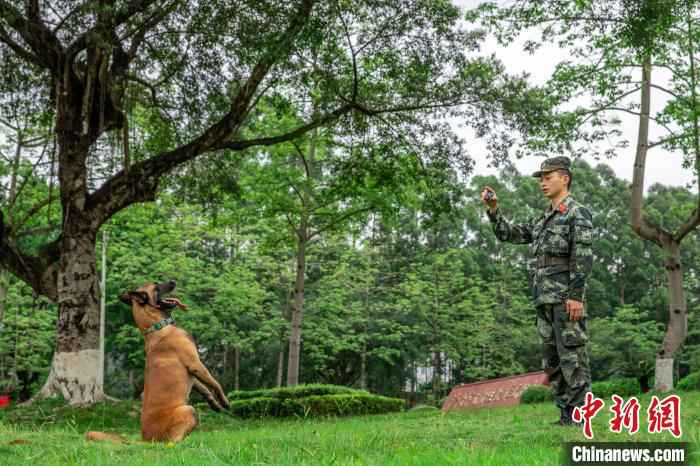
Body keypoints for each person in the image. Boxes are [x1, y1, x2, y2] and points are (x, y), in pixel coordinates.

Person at [481, 156, 593, 426]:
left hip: (566, 298)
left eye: (548, 177)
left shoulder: (578, 213)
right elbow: (511, 234)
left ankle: (580, 415)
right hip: (542, 298)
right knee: (552, 360)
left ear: (564, 178)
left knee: (572, 356)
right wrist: (494, 210)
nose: (543, 182)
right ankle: (566, 414)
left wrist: (576, 296)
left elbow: (583, 257)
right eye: (541, 178)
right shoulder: (543, 219)